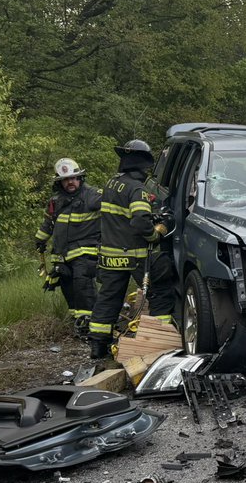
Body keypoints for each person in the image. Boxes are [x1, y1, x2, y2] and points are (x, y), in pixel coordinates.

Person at [88, 140, 175, 359]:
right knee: (161, 290)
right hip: (134, 256)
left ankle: (98, 347)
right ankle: (158, 342)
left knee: (108, 299)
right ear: (144, 166)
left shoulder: (111, 183)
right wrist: (155, 234)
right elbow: (139, 223)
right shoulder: (138, 189)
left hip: (110, 255)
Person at [34, 158, 101, 338]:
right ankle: (79, 324)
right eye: (66, 179)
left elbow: (114, 209)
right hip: (62, 256)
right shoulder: (56, 201)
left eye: (74, 178)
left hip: (86, 254)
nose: (70, 182)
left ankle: (92, 326)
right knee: (69, 290)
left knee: (83, 287)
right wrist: (39, 240)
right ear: (60, 182)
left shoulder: (93, 195)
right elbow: (49, 223)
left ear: (80, 178)